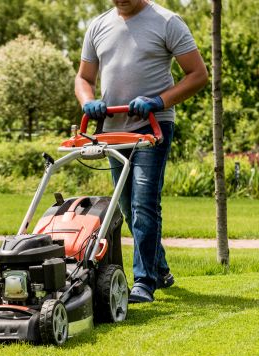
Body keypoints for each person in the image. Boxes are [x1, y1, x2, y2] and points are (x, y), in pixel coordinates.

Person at [75, 0, 208, 303]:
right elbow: (83, 78)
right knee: (125, 205)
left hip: (152, 126)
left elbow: (198, 75)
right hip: (113, 130)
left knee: (144, 204)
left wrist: (159, 101)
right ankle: (159, 268)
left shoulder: (166, 21)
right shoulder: (98, 26)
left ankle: (144, 282)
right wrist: (87, 102)